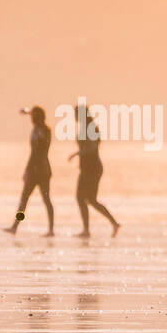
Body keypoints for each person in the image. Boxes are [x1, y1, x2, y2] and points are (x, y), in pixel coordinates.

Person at [68, 100, 120, 237]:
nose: (74, 117)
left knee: (83, 198)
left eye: (75, 114)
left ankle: (88, 230)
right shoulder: (86, 127)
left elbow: (92, 148)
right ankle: (112, 223)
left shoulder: (91, 128)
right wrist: (77, 154)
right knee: (90, 199)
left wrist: (77, 153)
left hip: (92, 167)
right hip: (88, 167)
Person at [3, 106, 54, 236]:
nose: (31, 119)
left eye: (33, 117)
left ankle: (51, 229)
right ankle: (15, 226)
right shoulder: (37, 130)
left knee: (44, 200)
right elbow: (33, 153)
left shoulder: (43, 130)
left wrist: (28, 170)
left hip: (40, 170)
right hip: (35, 169)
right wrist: (26, 112)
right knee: (25, 199)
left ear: (38, 118)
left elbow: (38, 153)